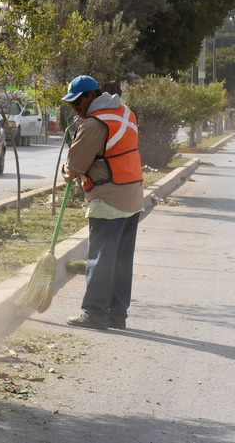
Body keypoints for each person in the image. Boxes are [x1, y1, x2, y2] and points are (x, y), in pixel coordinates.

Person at [60, 75, 144, 331]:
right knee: (120, 260)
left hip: (108, 198)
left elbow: (75, 165)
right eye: (71, 104)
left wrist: (67, 171)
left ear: (91, 96)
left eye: (77, 102)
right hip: (132, 195)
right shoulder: (125, 112)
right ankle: (117, 316)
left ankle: (95, 314)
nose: (75, 108)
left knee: (100, 260)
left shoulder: (94, 124)